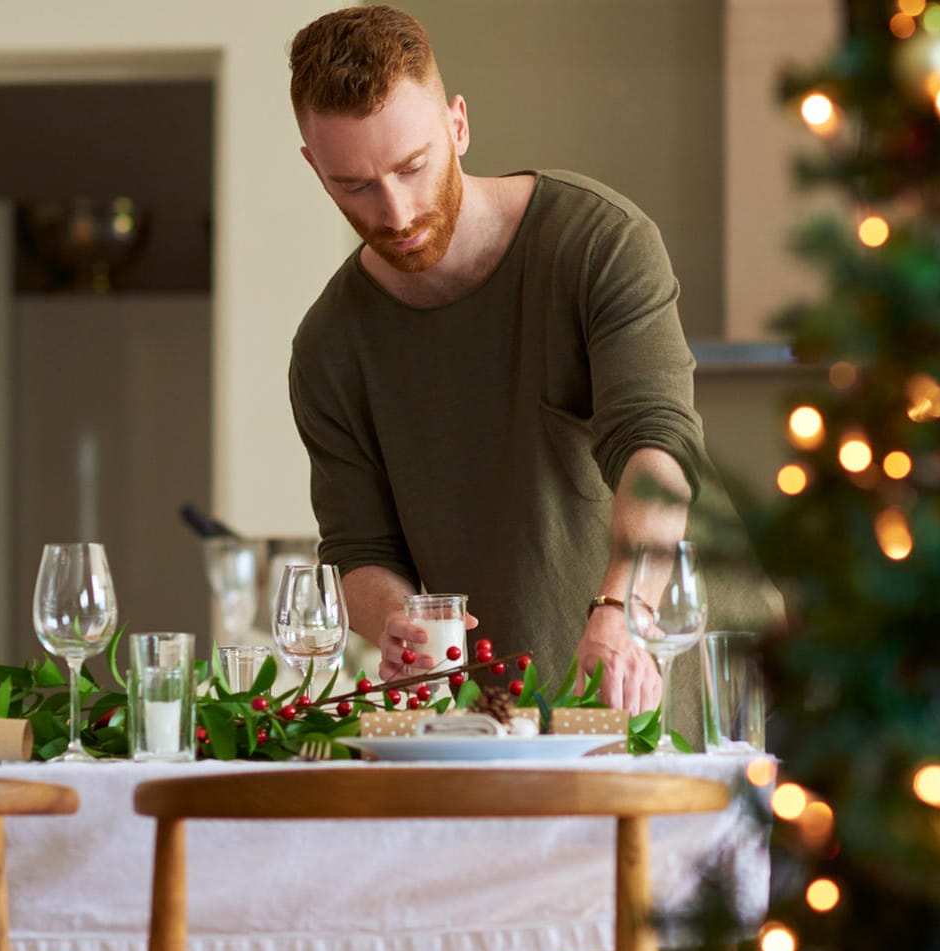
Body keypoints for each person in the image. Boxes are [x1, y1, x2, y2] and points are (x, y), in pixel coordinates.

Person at [286, 4, 728, 727]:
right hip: (502, 726)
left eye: (413, 166)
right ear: (315, 169)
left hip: (681, 680)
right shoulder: (330, 347)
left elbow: (658, 445)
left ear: (458, 125)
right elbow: (359, 549)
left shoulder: (599, 244)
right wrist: (397, 620)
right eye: (354, 186)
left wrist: (622, 611)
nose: (394, 211)